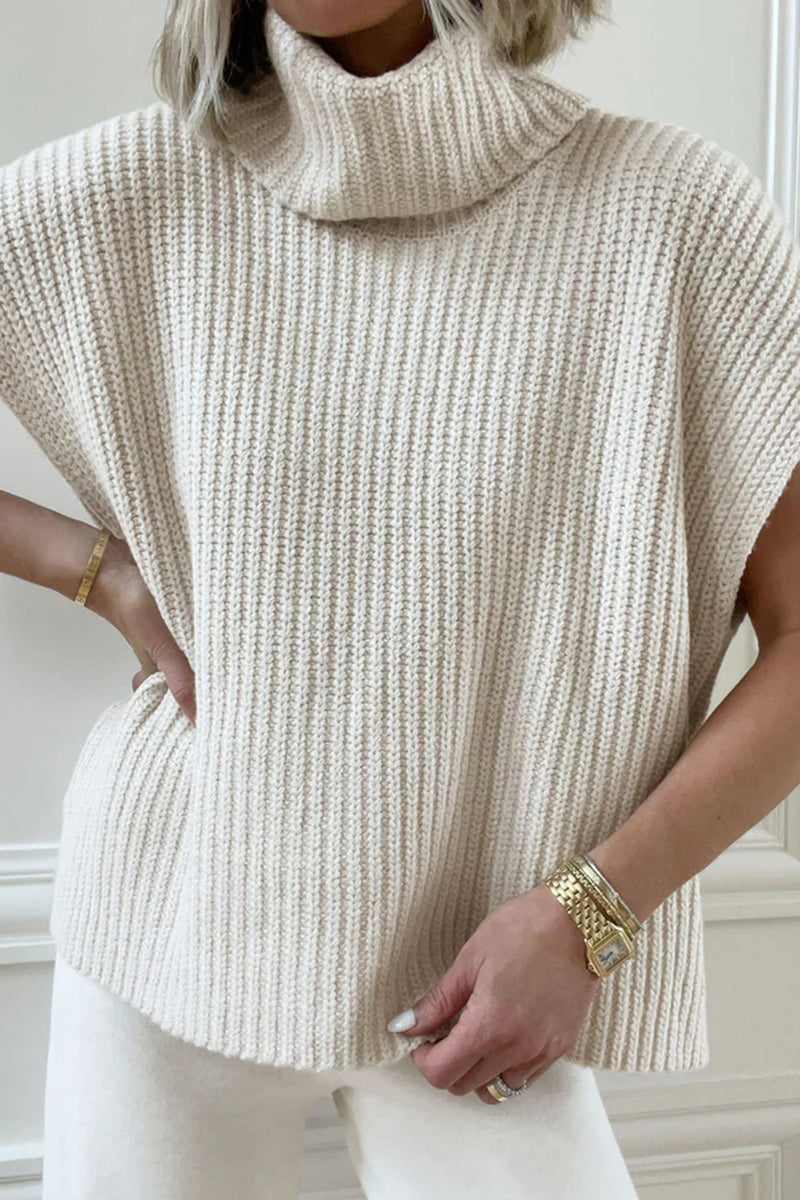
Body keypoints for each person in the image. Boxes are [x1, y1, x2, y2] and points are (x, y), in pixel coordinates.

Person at [2, 0, 800, 1195]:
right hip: (167, 938)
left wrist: (588, 914)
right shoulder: (124, 191)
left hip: (486, 974)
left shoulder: (671, 213)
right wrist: (101, 573)